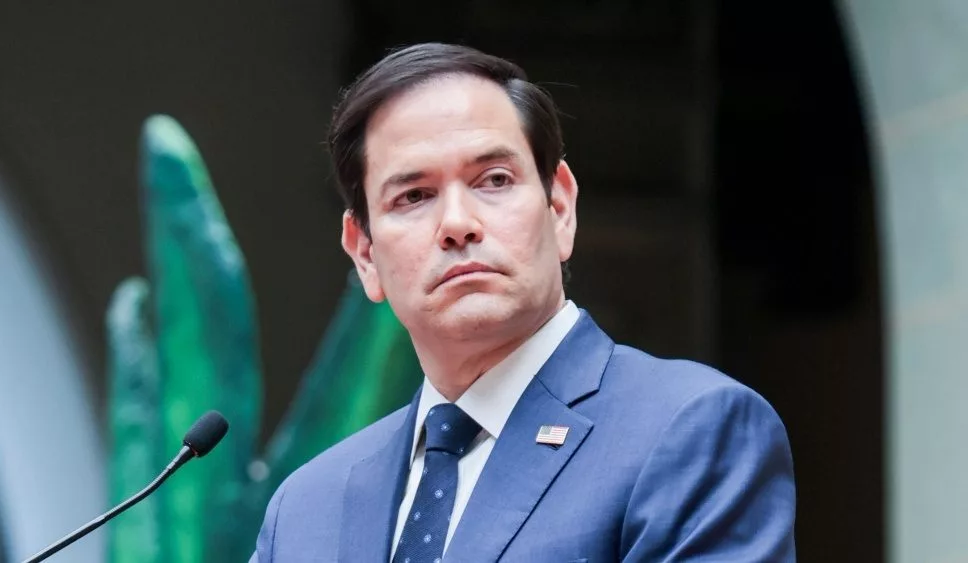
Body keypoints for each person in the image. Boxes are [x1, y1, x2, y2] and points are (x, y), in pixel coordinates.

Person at [250, 43, 796, 562]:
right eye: (414, 196)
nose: (457, 224)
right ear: (365, 253)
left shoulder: (689, 430)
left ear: (560, 208)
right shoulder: (306, 509)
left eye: (494, 180)